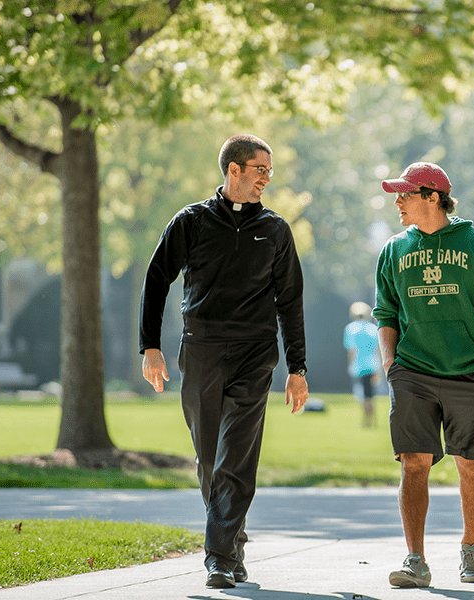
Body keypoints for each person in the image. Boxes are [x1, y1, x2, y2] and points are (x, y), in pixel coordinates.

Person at [139, 134, 308, 589]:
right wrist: (149, 347)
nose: (266, 180)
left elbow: (290, 300)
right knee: (209, 457)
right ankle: (232, 539)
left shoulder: (275, 229)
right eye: (260, 171)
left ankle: (218, 557)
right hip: (202, 350)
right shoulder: (191, 222)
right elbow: (157, 279)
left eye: (269, 172)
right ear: (233, 170)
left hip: (255, 353)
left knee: (237, 455)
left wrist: (298, 368)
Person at [373, 162, 474, 588]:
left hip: (470, 373)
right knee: (414, 464)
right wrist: (391, 366)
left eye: (406, 194)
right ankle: (415, 559)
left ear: (433, 197)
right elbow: (385, 312)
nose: (398, 202)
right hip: (412, 372)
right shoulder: (394, 249)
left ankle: (470, 545)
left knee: (471, 465)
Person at [343, 301, 381, 427]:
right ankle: (372, 421)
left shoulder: (350, 329)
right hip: (373, 366)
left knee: (363, 396)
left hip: (358, 367)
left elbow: (351, 351)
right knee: (370, 395)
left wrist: (349, 366)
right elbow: (377, 350)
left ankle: (367, 422)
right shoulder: (373, 329)